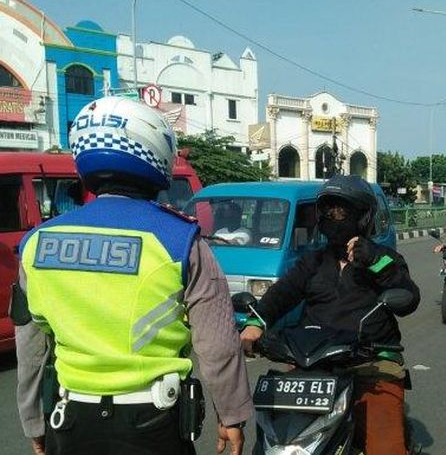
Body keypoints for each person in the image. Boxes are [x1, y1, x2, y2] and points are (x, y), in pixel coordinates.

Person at [14, 97, 252, 455]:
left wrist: (33, 420)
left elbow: (31, 347)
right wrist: (230, 416)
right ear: (157, 154)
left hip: (71, 421)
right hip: (153, 421)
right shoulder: (179, 240)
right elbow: (217, 344)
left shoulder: (36, 243)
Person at [239, 174, 421, 455]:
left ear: (363, 217)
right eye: (327, 211)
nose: (333, 217)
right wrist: (255, 323)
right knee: (278, 436)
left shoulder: (385, 258)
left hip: (370, 363)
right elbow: (281, 295)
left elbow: (407, 297)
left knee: (385, 448)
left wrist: (373, 260)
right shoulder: (313, 261)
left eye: (342, 211)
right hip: (313, 362)